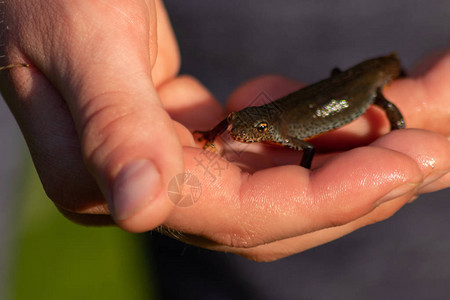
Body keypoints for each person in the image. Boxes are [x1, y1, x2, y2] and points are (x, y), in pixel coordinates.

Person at [1, 0, 448, 264]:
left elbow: (307, 148)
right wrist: (213, 134)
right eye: (245, 132)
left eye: (249, 133)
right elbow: (239, 124)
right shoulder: (260, 123)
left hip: (368, 79)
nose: (242, 135)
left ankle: (396, 121)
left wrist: (309, 160)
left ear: (266, 131)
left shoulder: (287, 136)